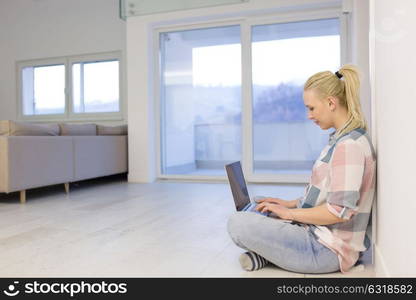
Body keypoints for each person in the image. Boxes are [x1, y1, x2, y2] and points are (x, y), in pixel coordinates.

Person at [227, 64, 376, 274]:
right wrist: (287, 204)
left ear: (331, 103)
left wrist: (290, 213)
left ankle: (269, 254)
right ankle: (270, 254)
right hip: (318, 235)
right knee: (261, 209)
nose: (309, 115)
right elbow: (327, 197)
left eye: (311, 108)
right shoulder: (343, 140)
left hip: (325, 249)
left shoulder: (349, 146)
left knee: (237, 223)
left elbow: (338, 211)